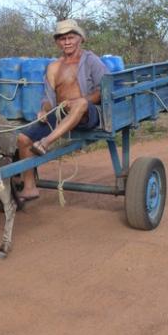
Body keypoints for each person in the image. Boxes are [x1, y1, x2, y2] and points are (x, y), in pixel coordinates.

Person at [16, 19, 109, 203]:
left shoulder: (91, 61)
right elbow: (48, 99)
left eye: (70, 37)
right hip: (61, 114)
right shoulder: (53, 67)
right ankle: (29, 187)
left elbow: (103, 90)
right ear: (58, 42)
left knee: (80, 104)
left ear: (80, 38)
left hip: (88, 114)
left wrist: (79, 102)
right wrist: (43, 110)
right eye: (62, 38)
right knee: (23, 139)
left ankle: (46, 142)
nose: (67, 42)